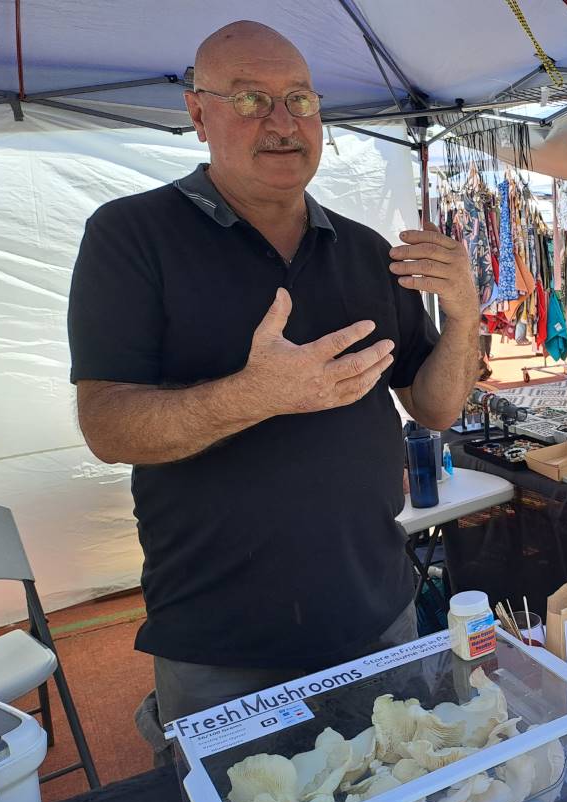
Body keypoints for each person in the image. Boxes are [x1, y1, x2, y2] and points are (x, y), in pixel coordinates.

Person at [67, 21, 480, 728]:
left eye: (300, 100)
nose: (284, 124)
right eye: (252, 100)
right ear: (198, 114)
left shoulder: (364, 250)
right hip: (223, 647)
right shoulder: (131, 236)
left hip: (377, 613)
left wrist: (465, 315)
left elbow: (435, 409)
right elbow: (106, 426)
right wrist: (252, 397)